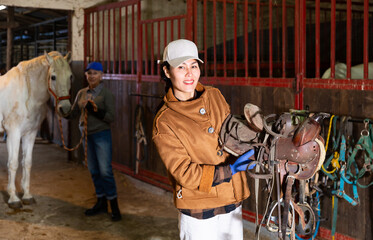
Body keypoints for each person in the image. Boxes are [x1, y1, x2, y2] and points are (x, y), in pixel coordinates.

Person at [152, 39, 255, 239]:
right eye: (181, 67)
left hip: (232, 199)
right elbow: (184, 173)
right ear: (167, 71)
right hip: (198, 208)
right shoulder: (165, 121)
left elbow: (230, 133)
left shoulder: (214, 95)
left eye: (194, 65)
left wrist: (252, 143)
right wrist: (230, 169)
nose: (189, 73)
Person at [71, 62, 121, 221]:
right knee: (93, 169)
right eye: (89, 73)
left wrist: (95, 111)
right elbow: (73, 113)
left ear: (101, 75)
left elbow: (111, 117)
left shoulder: (106, 94)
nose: (91, 76)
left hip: (101, 135)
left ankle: (114, 206)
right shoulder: (81, 93)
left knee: (105, 170)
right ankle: (101, 201)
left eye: (95, 73)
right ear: (86, 75)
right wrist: (62, 108)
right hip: (86, 135)